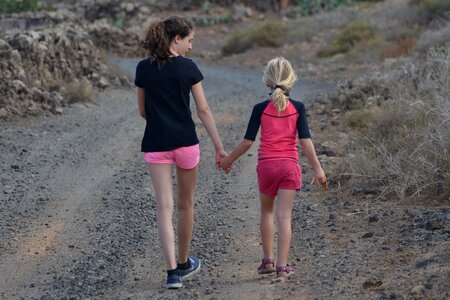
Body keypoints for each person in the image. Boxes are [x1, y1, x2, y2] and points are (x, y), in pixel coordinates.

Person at [134, 16, 227, 289]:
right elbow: (203, 110)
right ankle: (185, 263)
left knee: (164, 207)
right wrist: (219, 147)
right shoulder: (188, 68)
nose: (191, 47)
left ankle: (172, 273)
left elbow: (142, 111)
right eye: (190, 40)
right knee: (185, 204)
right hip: (186, 143)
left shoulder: (143, 68)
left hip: (155, 144)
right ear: (177, 38)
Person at [220, 57, 326, 282]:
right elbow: (305, 141)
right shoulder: (298, 108)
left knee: (267, 213)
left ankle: (267, 261)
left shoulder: (260, 109)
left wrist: (229, 160)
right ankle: (282, 266)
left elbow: (248, 141)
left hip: (267, 167)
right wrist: (317, 169)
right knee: (284, 217)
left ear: (267, 81)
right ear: (291, 80)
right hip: (289, 166)